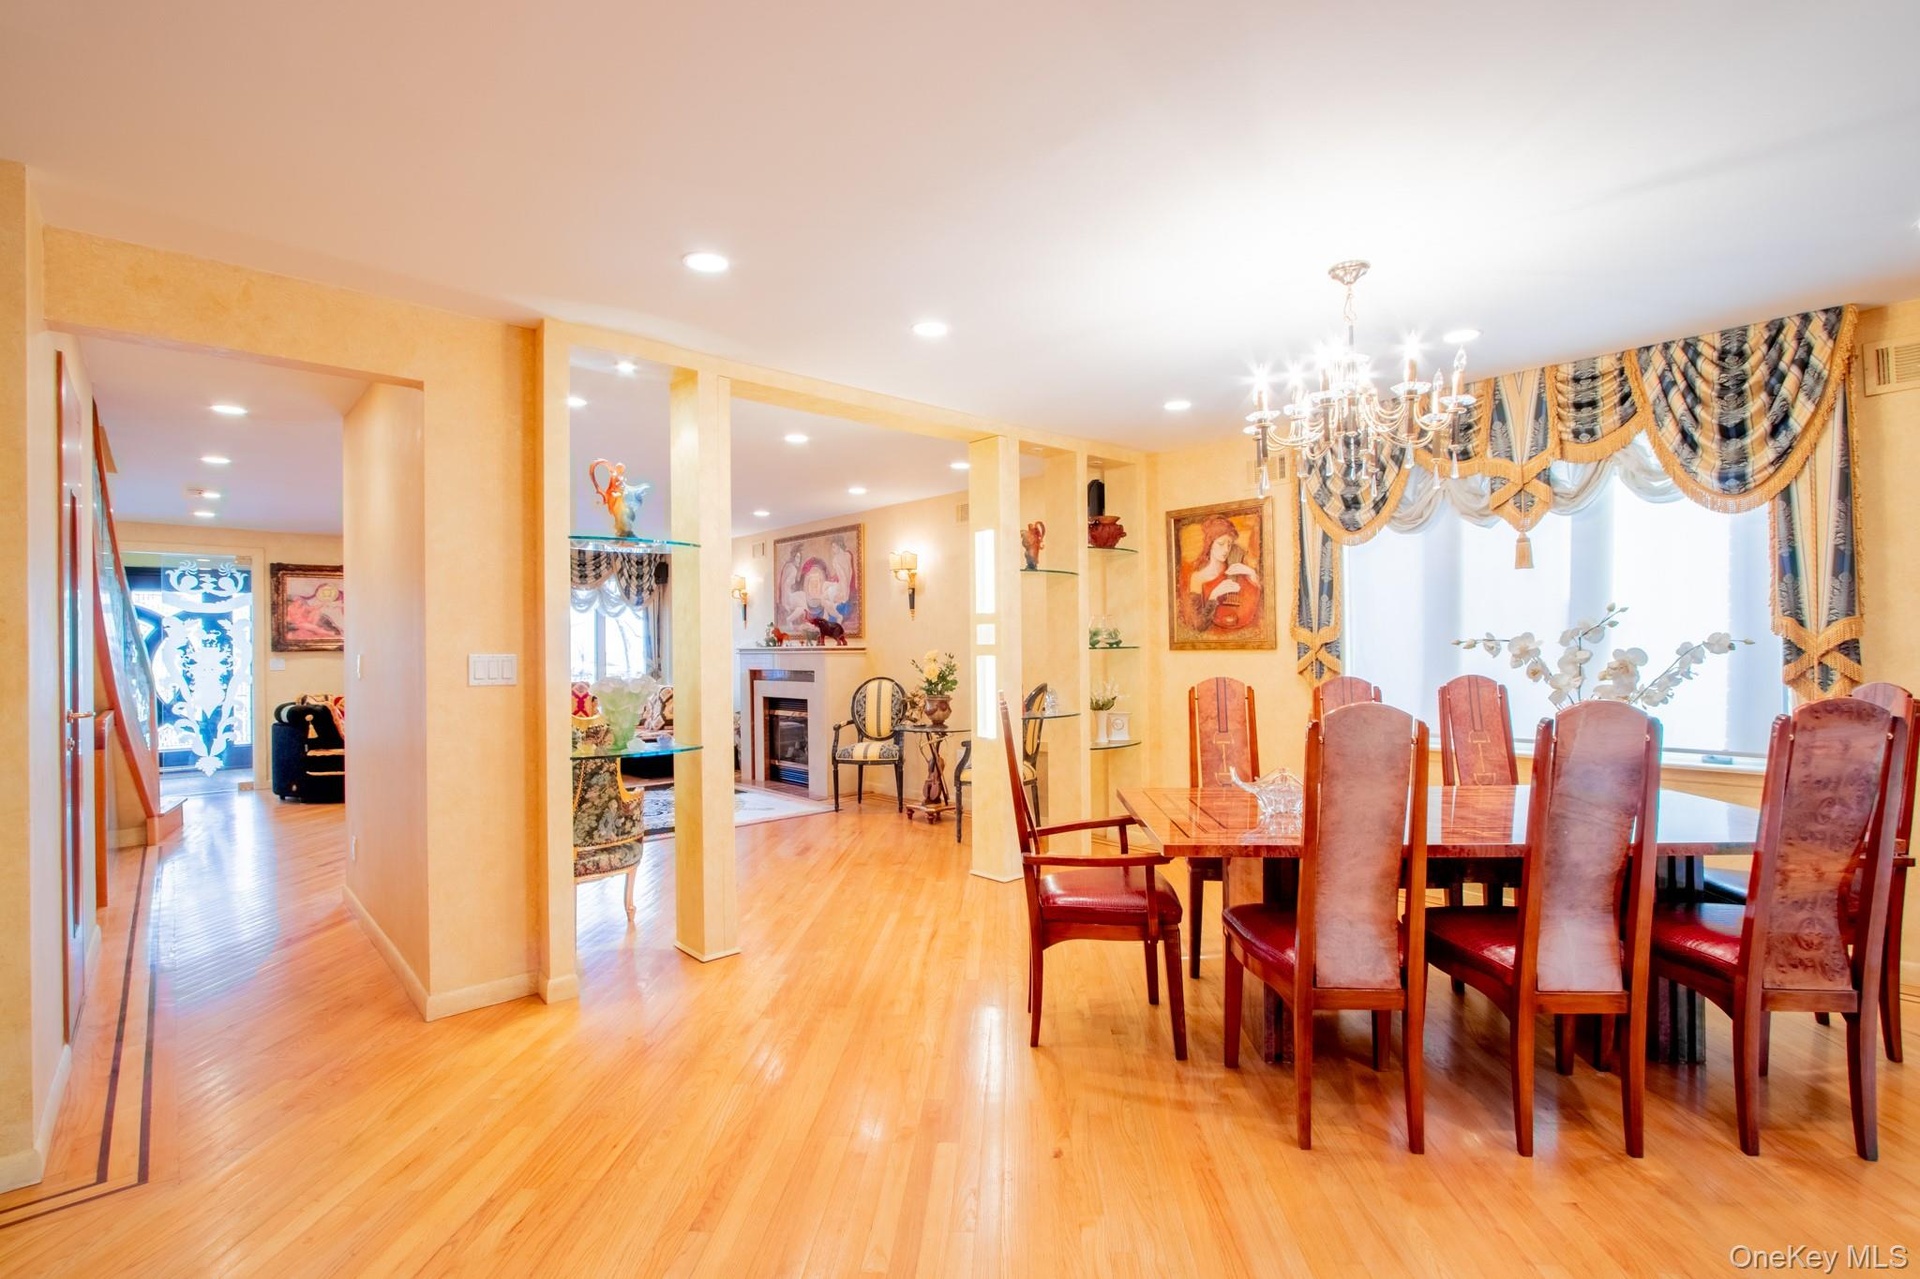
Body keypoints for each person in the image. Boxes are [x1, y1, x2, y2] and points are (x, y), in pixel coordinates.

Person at [1180, 515, 1261, 635]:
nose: (1226, 550)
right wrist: (1214, 595)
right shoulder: (1198, 577)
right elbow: (1198, 625)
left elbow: (1257, 596)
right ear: (1210, 544)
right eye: (1221, 543)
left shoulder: (1235, 564)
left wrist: (1252, 573)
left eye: (1229, 544)